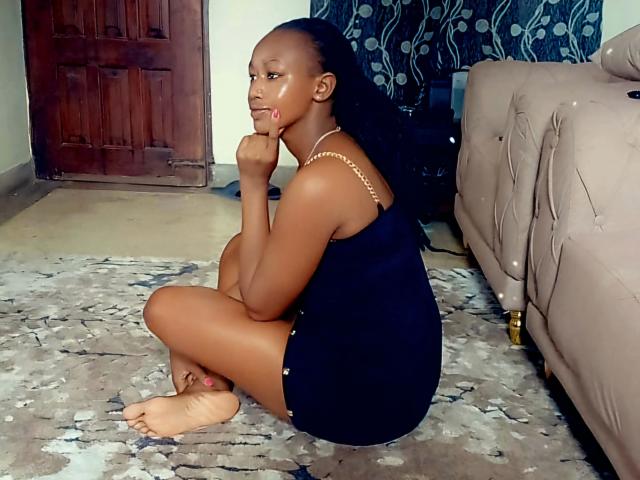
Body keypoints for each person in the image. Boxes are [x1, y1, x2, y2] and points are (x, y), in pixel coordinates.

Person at [123, 17, 442, 446]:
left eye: (273, 76)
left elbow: (260, 307)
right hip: (399, 378)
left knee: (165, 307)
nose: (255, 91)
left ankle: (206, 388)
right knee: (239, 250)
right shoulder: (341, 148)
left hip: (359, 399)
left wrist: (254, 184)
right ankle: (209, 388)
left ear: (322, 87)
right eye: (252, 76)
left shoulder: (321, 180)